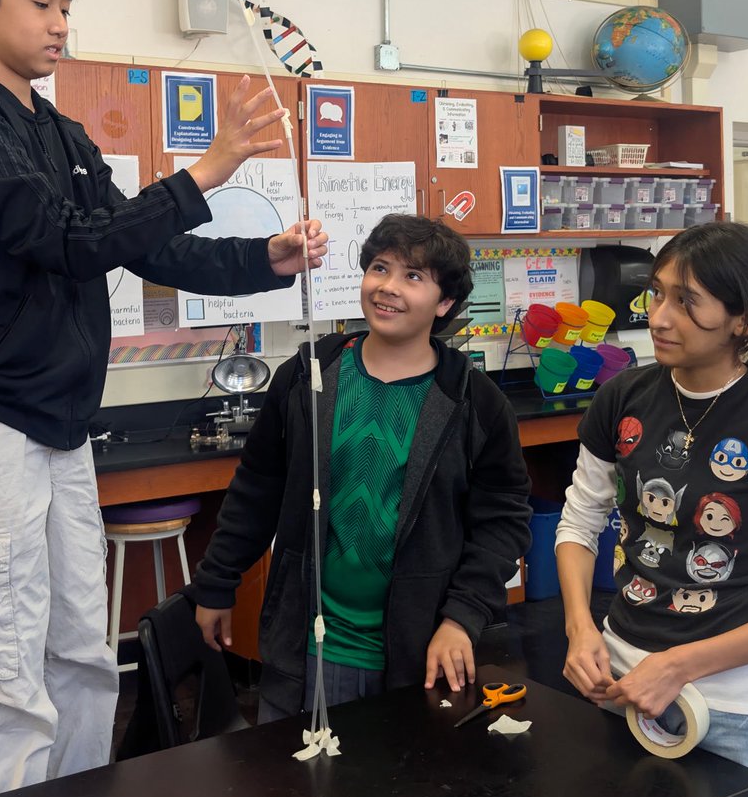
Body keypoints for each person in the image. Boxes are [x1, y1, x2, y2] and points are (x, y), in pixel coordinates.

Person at [0, 0, 328, 797]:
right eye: (42, 4)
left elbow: (137, 240)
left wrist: (264, 260)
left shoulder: (53, 130)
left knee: (80, 649)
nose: (61, 23)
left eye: (68, 6)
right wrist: (204, 173)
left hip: (55, 425)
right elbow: (65, 242)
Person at [192, 213, 532, 721]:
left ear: (445, 304)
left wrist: (462, 617)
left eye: (413, 277)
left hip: (419, 652)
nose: (388, 288)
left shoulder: (473, 402)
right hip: (306, 648)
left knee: (399, 793)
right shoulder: (307, 376)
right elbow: (257, 488)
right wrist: (217, 582)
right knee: (291, 792)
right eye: (380, 268)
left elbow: (503, 521)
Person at [557, 221, 748, 769]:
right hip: (618, 682)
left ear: (746, 320)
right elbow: (579, 522)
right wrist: (579, 629)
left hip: (735, 708)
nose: (660, 316)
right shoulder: (624, 396)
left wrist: (679, 665)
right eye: (659, 293)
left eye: (689, 301)